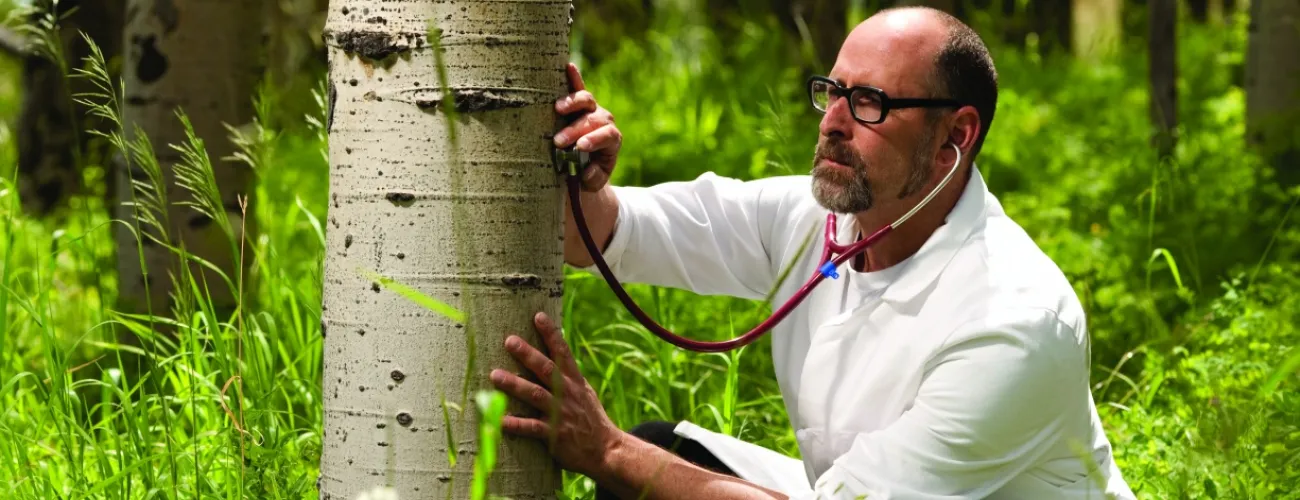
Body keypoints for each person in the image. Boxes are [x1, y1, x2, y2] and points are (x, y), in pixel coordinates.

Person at [488, 6, 1137, 499]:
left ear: (954, 138)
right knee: (660, 455)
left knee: (639, 460)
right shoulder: (818, 216)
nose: (832, 120)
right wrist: (581, 178)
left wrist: (607, 450)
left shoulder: (1013, 321)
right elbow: (598, 236)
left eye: (870, 103)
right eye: (834, 90)